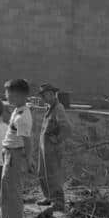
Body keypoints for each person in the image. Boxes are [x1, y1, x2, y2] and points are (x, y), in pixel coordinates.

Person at [0, 79, 36, 218]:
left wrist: (29, 160)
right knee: (9, 195)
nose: (6, 96)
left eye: (8, 93)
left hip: (14, 157)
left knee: (11, 197)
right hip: (10, 154)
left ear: (17, 94)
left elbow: (27, 141)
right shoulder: (18, 110)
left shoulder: (22, 117)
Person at [36, 83, 72, 211]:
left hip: (52, 148)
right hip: (44, 147)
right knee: (42, 173)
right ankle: (48, 197)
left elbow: (67, 128)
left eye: (44, 95)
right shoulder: (49, 108)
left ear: (51, 94)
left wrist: (57, 139)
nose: (43, 98)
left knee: (53, 175)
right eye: (42, 96)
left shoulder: (58, 108)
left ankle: (58, 202)